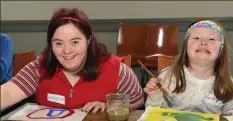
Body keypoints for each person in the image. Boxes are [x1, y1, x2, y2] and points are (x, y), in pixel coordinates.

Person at [0, 8, 144, 113]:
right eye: (59, 43)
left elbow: (137, 100)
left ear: (88, 40)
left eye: (75, 42)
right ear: (51, 44)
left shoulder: (117, 69)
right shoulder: (38, 68)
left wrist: (109, 105)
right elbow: (7, 93)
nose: (67, 51)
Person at [144, 20, 233, 114]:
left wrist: (225, 120)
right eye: (196, 38)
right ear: (186, 46)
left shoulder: (228, 84)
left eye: (211, 39)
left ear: (221, 50)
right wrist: (155, 96)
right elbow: (153, 115)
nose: (203, 42)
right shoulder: (168, 75)